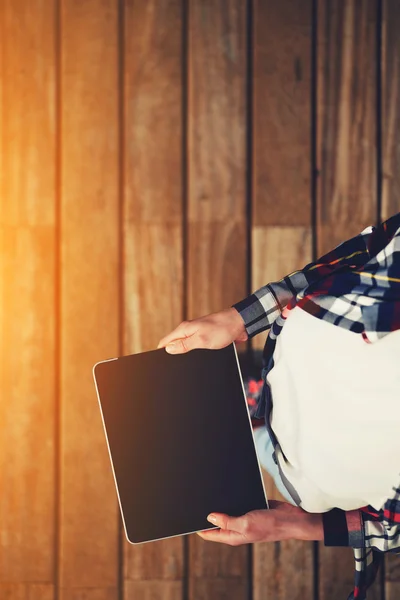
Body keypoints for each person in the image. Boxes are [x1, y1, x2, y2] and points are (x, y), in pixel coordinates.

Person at [157, 211, 400, 600]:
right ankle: (259, 405)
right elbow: (376, 246)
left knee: (264, 446)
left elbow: (393, 530)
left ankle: (255, 418)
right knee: (267, 429)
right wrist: (241, 319)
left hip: (309, 475)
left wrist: (291, 526)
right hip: (296, 366)